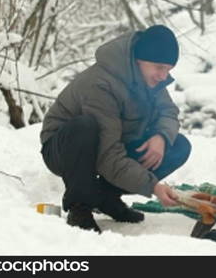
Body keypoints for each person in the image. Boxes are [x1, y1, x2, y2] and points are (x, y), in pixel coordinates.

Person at [40, 25, 190, 233]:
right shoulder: (101, 83)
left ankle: (105, 198)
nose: (163, 76)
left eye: (168, 69)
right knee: (85, 127)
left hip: (111, 143)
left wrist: (161, 137)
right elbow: (107, 155)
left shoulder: (149, 79)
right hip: (65, 148)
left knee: (179, 145)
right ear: (139, 60)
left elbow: (168, 112)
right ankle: (79, 206)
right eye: (158, 67)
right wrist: (153, 186)